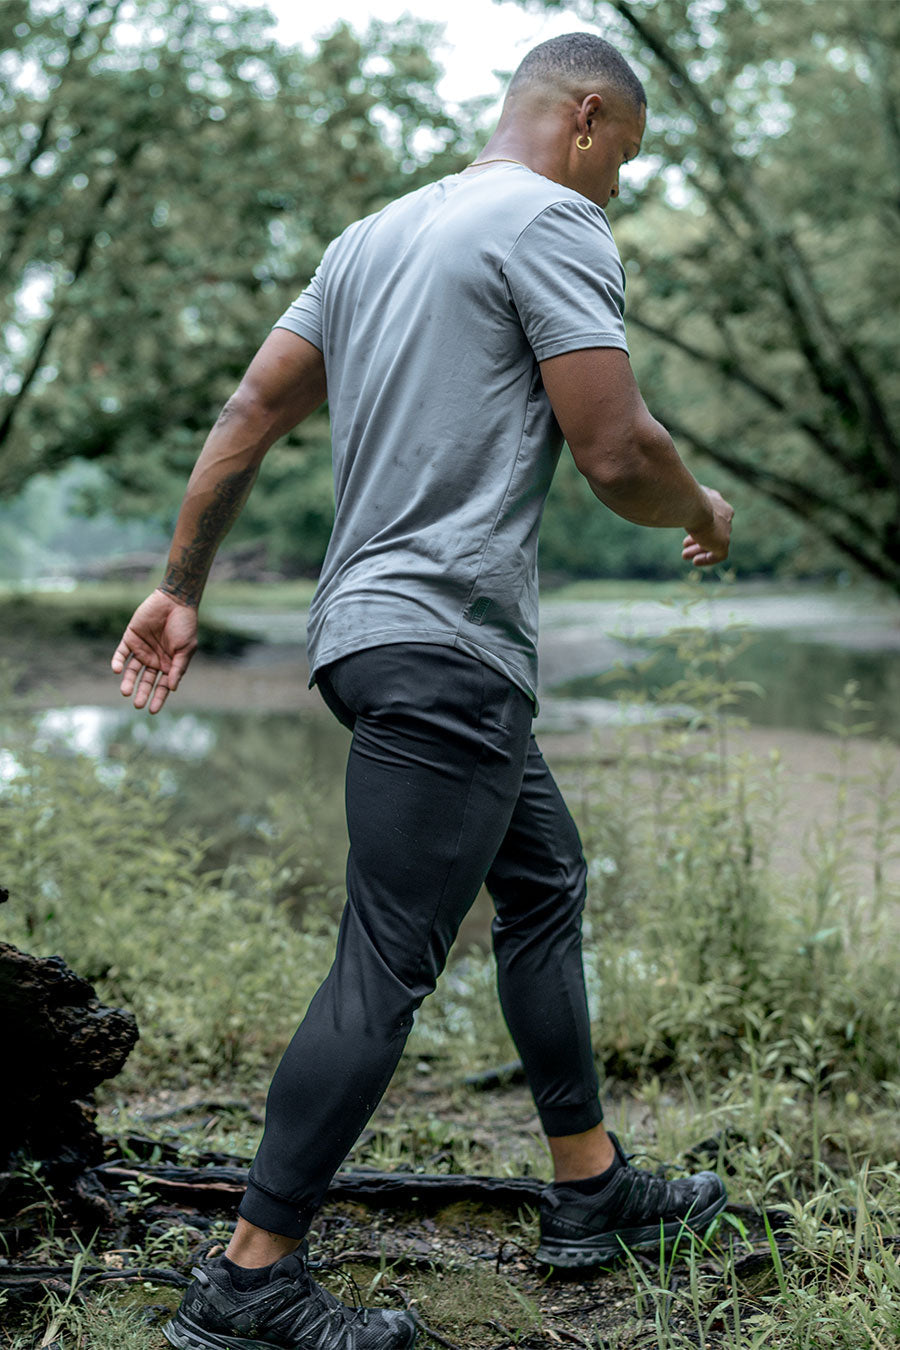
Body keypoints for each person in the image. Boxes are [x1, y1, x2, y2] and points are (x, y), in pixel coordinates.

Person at [112, 32, 734, 1350]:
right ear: (584, 116)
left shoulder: (372, 240)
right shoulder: (553, 222)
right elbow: (617, 452)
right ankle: (248, 1279)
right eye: (625, 154)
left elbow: (246, 413)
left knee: (544, 877)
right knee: (388, 956)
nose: (620, 182)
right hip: (448, 645)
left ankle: (589, 1188)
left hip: (370, 638)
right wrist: (702, 508)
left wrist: (180, 586)